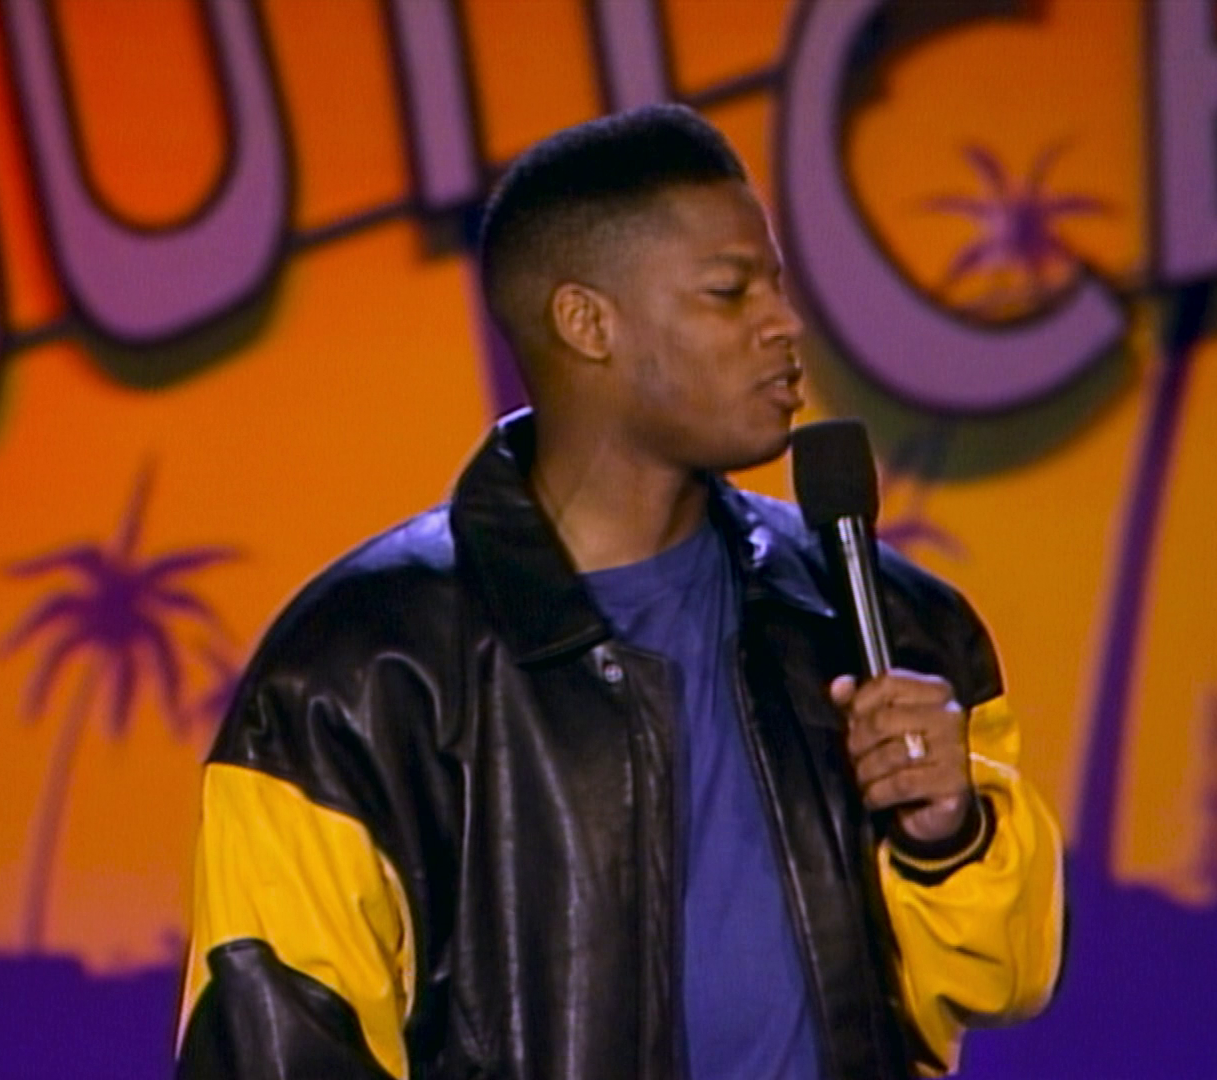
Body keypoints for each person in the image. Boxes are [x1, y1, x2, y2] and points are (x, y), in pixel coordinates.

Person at [175, 104, 1064, 1080]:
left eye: (776, 285)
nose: (785, 324)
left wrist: (949, 836)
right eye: (730, 292)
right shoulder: (354, 673)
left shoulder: (887, 624)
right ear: (587, 323)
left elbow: (1002, 983)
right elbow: (276, 1042)